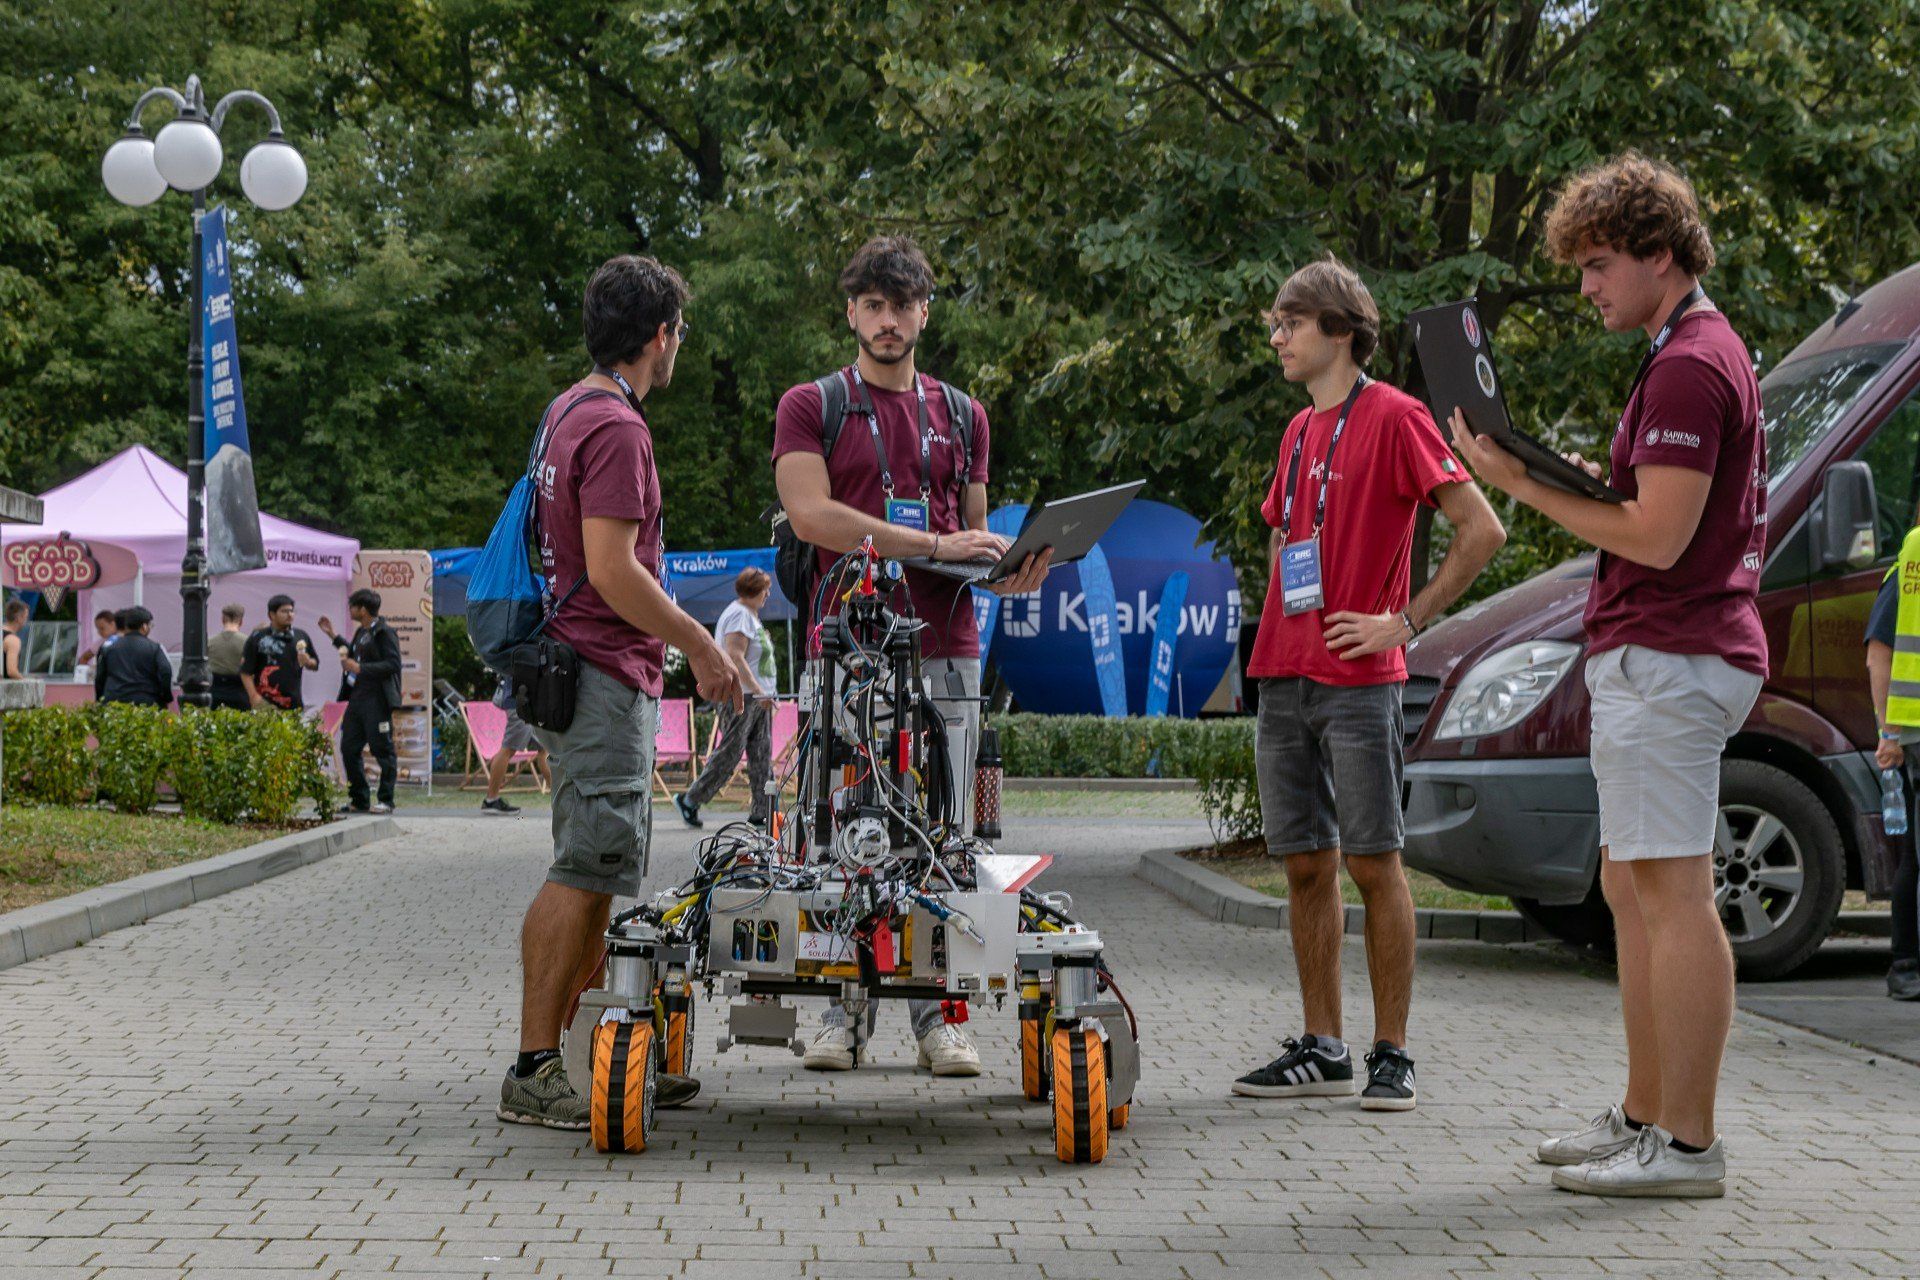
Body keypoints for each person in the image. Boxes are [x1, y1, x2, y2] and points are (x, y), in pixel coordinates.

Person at [1451, 153, 1766, 1197]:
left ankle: (1687, 1144)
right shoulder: (1683, 351)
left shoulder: (1689, 362)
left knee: (1671, 891)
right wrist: (1581, 479)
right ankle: (1645, 1113)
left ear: (1659, 253)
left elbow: (1662, 537)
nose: (1586, 285)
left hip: (1675, 651)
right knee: (1631, 884)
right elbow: (1650, 511)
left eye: (1597, 264)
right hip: (1662, 651)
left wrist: (1522, 488)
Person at [1229, 257, 1506, 1113]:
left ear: (1341, 332)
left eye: (1291, 323)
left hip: (1359, 679)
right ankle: (1323, 1046)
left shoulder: (1395, 415)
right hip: (1283, 676)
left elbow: (1481, 528)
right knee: (1305, 865)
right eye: (1275, 324)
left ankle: (1393, 1054)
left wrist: (1406, 621)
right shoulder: (1297, 431)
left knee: (1376, 863)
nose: (1276, 338)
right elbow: (1285, 537)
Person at [773, 235, 1050, 1078]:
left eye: (904, 306)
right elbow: (812, 517)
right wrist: (931, 538)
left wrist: (1010, 571)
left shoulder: (964, 413)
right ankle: (835, 1015)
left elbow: (967, 545)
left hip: (946, 648)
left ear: (926, 311)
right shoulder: (811, 403)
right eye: (873, 306)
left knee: (948, 839)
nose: (889, 321)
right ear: (851, 311)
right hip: (848, 644)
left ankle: (941, 1019)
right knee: (836, 833)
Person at [497, 254, 740, 1132]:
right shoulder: (619, 429)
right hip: (600, 671)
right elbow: (612, 569)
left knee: (599, 869)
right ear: (661, 336)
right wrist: (701, 645)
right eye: (679, 332)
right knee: (583, 866)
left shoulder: (567, 408)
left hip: (582, 664)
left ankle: (593, 1053)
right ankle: (533, 1067)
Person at [1862, 524, 1920, 1002]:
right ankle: (1906, 963)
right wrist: (1889, 733)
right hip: (1914, 732)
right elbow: (1879, 654)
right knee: (1915, 859)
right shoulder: (1909, 566)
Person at [675, 567, 779, 829]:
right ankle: (690, 799)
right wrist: (758, 689)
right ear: (753, 589)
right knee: (730, 753)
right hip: (742, 696)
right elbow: (734, 655)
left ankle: (761, 811)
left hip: (756, 698)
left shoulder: (750, 616)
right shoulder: (739, 615)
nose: (768, 593)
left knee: (761, 754)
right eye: (765, 588)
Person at [324, 589, 403, 814]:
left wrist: (361, 669)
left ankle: (386, 800)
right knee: (348, 747)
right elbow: (351, 653)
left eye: (352, 606)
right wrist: (333, 636)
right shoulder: (361, 632)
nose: (349, 610)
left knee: (382, 749)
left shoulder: (385, 632)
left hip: (377, 701)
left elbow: (393, 665)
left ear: (363, 609)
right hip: (357, 699)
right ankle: (359, 799)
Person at [481, 675, 550, 816]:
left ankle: (559, 800)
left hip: (529, 700)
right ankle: (491, 800)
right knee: (508, 748)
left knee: (544, 749)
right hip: (518, 701)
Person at [241, 595, 318, 710]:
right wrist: (254, 696)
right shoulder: (258, 637)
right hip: (265, 703)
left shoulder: (301, 636)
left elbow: (315, 664)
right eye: (284, 611)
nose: (290, 615)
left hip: (294, 703)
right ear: (271, 615)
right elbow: (245, 671)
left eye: (292, 611)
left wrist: (308, 662)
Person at [94, 606, 173, 706]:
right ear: (144, 626)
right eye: (150, 625)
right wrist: (165, 698)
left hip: (114, 703)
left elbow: (100, 678)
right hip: (146, 702)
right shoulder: (155, 648)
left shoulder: (108, 648)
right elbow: (166, 671)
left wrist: (100, 700)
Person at [206, 604, 252, 710]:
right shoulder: (248, 642)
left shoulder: (210, 642)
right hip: (239, 693)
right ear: (241, 621)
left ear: (222, 619)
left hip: (214, 692)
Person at [1, 599, 24, 678]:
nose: (25, 621)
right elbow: (12, 671)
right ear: (18, 618)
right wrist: (23, 680)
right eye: (25, 617)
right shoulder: (12, 640)